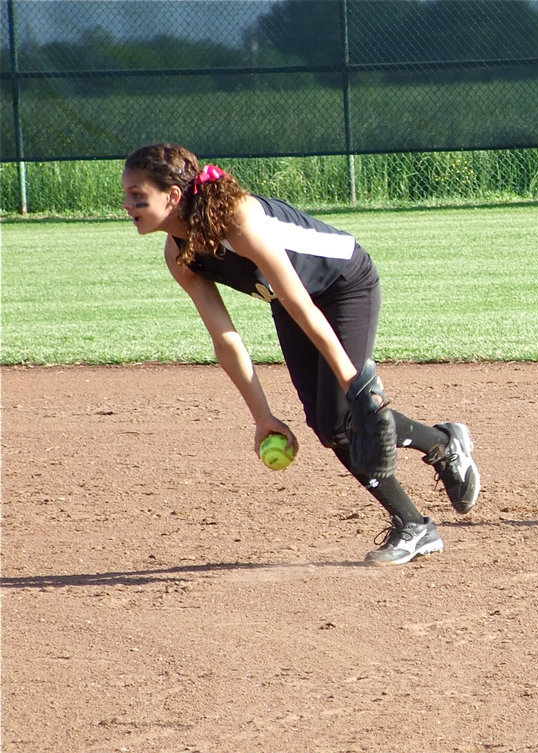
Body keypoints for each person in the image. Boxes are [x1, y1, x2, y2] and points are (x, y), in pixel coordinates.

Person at [121, 143, 480, 565]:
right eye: (127, 195)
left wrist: (355, 384)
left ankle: (415, 520)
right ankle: (439, 452)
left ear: (173, 196)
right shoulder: (180, 255)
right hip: (290, 299)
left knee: (343, 414)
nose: (127, 205)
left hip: (344, 284)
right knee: (330, 426)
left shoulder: (239, 220)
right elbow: (226, 340)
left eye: (138, 196)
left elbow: (303, 305)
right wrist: (262, 416)